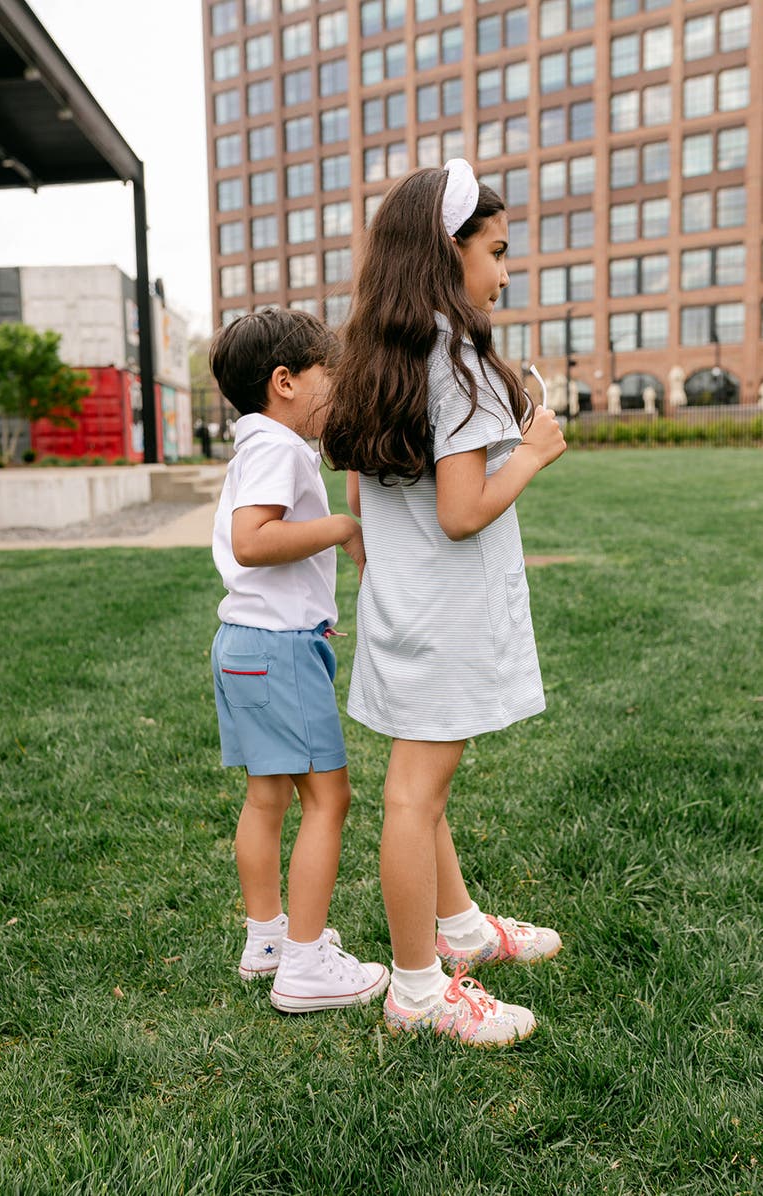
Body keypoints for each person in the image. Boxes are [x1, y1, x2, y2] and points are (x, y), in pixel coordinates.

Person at [322, 161, 566, 1046]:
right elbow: (463, 513)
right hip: (447, 614)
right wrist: (533, 451)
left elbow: (360, 500)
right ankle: (419, 989)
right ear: (445, 251)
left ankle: (458, 927)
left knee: (425, 788)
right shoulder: (454, 359)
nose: (504, 273)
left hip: (404, 609)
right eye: (497, 252)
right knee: (415, 797)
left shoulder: (374, 357)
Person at [209, 308, 389, 1013]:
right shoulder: (279, 448)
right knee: (329, 798)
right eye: (329, 377)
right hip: (276, 650)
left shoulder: (255, 443)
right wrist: (342, 526)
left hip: (247, 645)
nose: (338, 391)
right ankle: (308, 964)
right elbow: (253, 540)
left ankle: (268, 941)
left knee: (268, 796)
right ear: (284, 382)